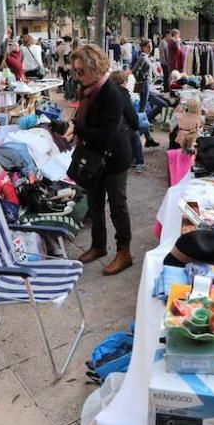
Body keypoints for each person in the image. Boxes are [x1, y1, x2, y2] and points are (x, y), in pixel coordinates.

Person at [71, 45, 134, 275]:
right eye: (76, 71)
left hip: (115, 157)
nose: (78, 76)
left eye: (81, 71)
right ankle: (98, 245)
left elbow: (106, 134)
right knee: (95, 204)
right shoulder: (89, 90)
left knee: (117, 207)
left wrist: (78, 128)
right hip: (95, 156)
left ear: (95, 68)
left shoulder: (111, 92)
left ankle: (124, 252)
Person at [132, 39, 160, 148]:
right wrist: (141, 78)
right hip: (144, 85)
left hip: (147, 85)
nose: (150, 48)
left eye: (151, 46)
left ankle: (148, 137)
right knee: (142, 111)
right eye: (148, 46)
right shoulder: (142, 57)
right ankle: (142, 135)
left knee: (142, 111)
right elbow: (134, 71)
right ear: (143, 47)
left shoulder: (146, 57)